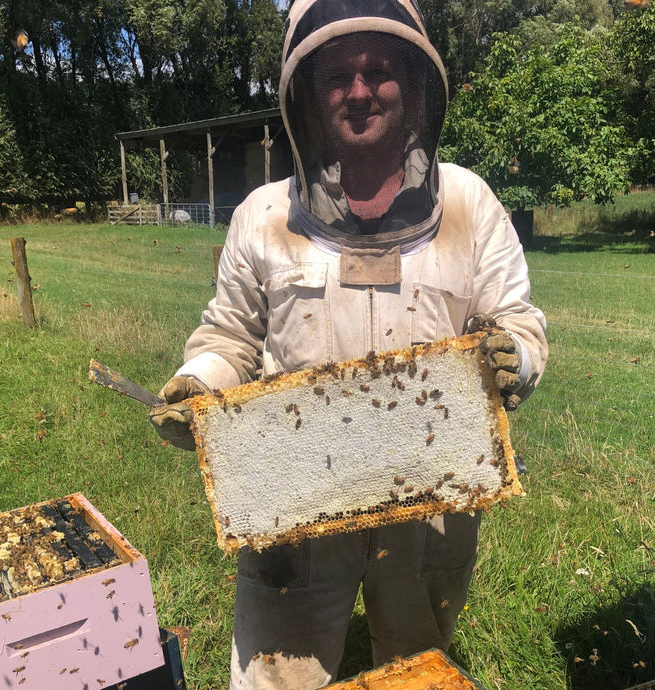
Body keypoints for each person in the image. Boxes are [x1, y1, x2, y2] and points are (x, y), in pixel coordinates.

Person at [150, 1, 548, 688]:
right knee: (280, 677)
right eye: (338, 74)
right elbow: (229, 334)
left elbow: (515, 318)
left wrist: (517, 354)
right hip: (298, 505)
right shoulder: (264, 218)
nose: (359, 91)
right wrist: (199, 383)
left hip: (432, 504)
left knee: (418, 670)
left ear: (415, 83)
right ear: (306, 92)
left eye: (379, 71)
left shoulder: (469, 205)